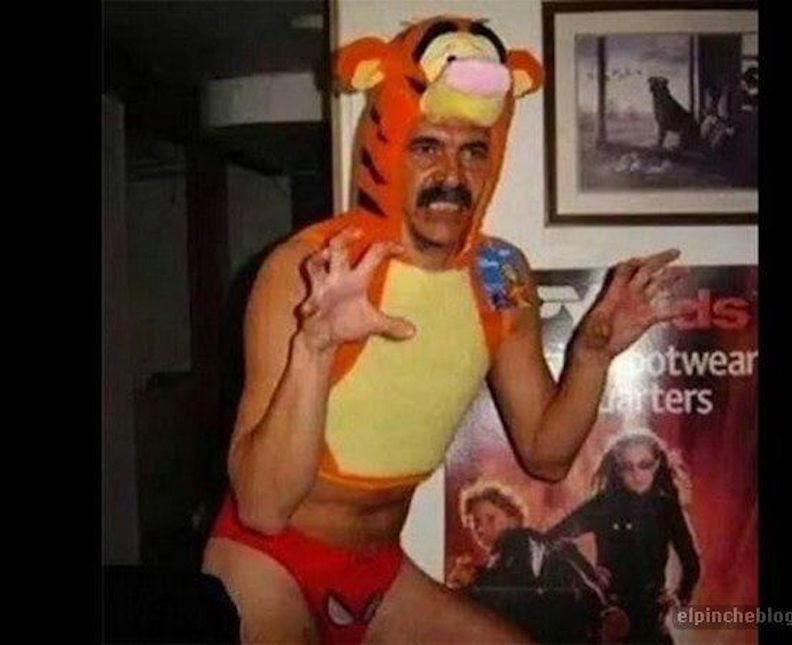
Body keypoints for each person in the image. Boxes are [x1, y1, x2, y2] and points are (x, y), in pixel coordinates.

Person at [201, 16, 688, 644]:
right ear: (389, 146)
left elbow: (546, 455)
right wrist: (315, 346)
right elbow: (263, 509)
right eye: (426, 146)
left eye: (474, 151)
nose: (452, 174)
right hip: (270, 566)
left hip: (381, 572)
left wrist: (593, 349)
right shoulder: (311, 266)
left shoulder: (499, 272)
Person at [546, 430, 701, 644]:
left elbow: (691, 562)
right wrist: (586, 572)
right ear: (618, 469)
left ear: (657, 464)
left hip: (651, 618)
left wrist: (679, 597)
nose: (637, 474)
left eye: (644, 464)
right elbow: (550, 541)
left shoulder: (666, 508)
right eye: (627, 467)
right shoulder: (603, 505)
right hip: (609, 616)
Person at [448, 481, 628, 643]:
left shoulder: (518, 540)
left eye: (490, 518)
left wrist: (473, 581)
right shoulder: (506, 554)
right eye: (475, 523)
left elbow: (516, 583)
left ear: (512, 518)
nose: (481, 528)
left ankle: (600, 615)